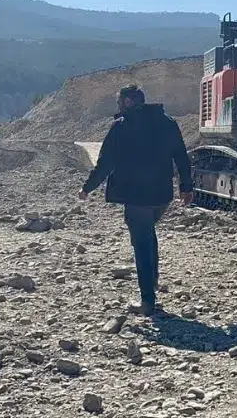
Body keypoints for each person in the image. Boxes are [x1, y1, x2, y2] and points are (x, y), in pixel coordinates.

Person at [79, 84, 192, 316]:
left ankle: (147, 301)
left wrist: (87, 188)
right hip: (161, 196)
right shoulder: (167, 123)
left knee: (141, 244)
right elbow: (181, 156)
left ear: (129, 102)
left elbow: (105, 163)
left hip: (136, 195)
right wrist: (186, 187)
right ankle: (151, 284)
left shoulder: (121, 127)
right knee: (148, 236)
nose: (118, 105)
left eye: (120, 101)